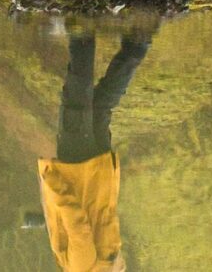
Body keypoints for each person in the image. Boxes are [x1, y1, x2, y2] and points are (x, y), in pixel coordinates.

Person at [36, 17, 155, 271]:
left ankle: (139, 43)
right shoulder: (81, 269)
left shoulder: (108, 267)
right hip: (78, 171)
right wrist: (52, 183)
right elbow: (78, 229)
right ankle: (82, 28)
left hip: (101, 173)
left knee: (101, 107)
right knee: (77, 100)